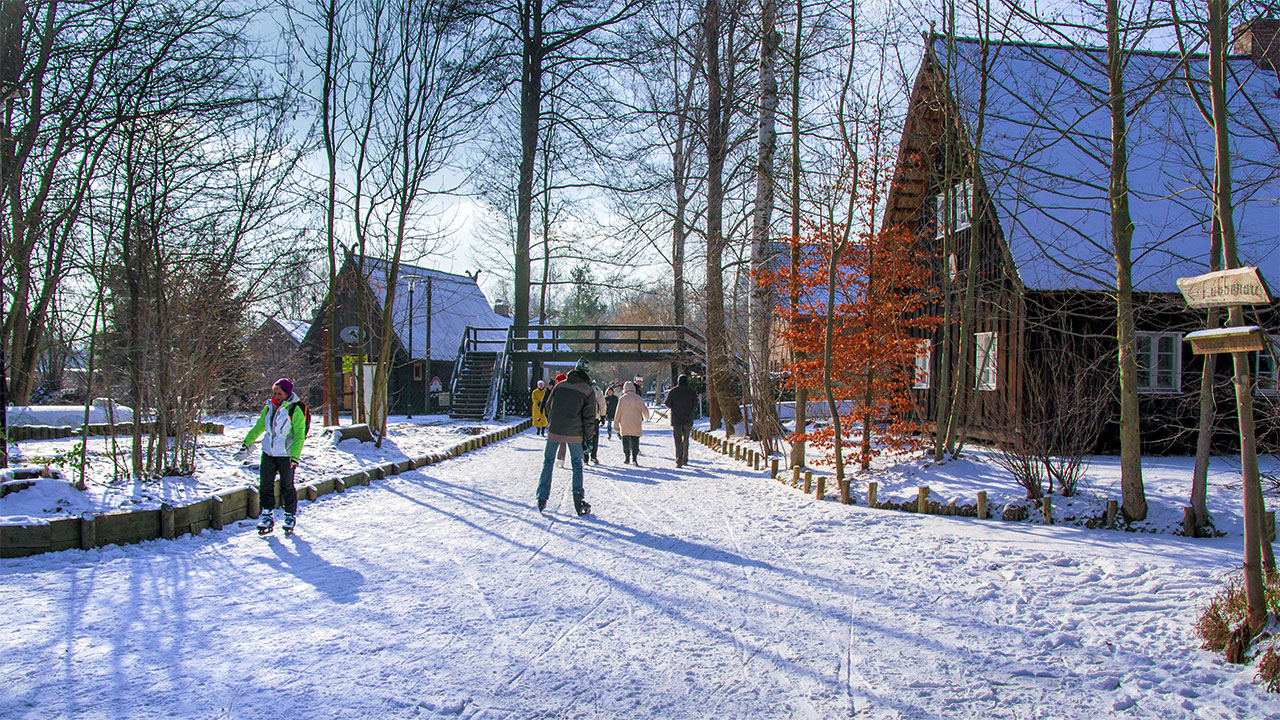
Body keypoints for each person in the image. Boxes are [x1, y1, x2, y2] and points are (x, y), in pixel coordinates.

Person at [241, 378, 307, 534]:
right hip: (268, 452)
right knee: (265, 485)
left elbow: (299, 435)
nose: (276, 396)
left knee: (287, 486)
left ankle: (290, 515)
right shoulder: (269, 407)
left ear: (287, 393)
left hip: (286, 454)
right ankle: (267, 515)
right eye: (275, 393)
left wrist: (295, 457)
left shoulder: (294, 409)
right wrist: (246, 443)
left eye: (280, 393)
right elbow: (259, 427)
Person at [536, 359, 597, 515]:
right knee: (577, 463)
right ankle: (578, 499)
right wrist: (588, 438)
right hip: (575, 433)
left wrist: (552, 424)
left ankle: (542, 498)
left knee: (548, 461)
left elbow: (549, 406)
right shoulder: (588, 390)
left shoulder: (560, 385)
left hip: (554, 430)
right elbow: (589, 417)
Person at [665, 374, 698, 468]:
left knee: (678, 440)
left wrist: (674, 406)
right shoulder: (691, 391)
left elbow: (667, 403)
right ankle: (685, 459)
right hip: (688, 419)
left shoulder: (673, 391)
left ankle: (678, 460)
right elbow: (695, 404)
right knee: (686, 439)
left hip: (676, 419)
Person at [615, 381, 650, 465]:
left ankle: (627, 458)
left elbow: (618, 412)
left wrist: (616, 425)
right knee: (635, 440)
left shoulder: (622, 399)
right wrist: (647, 416)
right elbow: (645, 410)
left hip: (625, 422)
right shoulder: (638, 398)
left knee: (625, 441)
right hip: (636, 422)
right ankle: (634, 459)